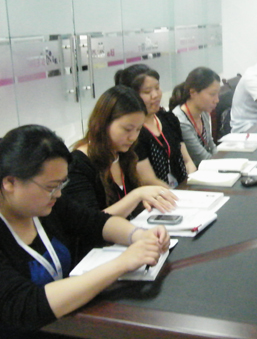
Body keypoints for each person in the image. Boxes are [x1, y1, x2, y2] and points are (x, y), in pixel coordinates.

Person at [0, 125, 170, 335]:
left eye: (61, 185)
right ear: (10, 182)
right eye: (51, 187)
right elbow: (26, 305)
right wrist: (122, 263)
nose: (58, 194)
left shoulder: (46, 206)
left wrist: (139, 235)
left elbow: (97, 222)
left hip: (71, 323)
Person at [65, 86, 177, 219]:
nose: (133, 137)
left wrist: (142, 202)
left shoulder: (123, 154)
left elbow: (128, 207)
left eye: (138, 130)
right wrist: (137, 196)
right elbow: (89, 222)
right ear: (103, 123)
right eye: (127, 129)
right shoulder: (78, 164)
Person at [115, 64, 196, 188]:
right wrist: (177, 194)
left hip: (182, 188)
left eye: (157, 88)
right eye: (147, 92)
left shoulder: (168, 119)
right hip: (158, 195)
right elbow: (149, 180)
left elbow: (187, 161)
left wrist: (192, 183)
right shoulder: (134, 132)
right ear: (131, 96)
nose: (155, 95)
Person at [169, 67, 220, 167]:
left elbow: (211, 146)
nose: (217, 100)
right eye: (212, 94)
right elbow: (201, 158)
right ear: (193, 93)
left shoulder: (203, 112)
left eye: (217, 94)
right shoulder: (180, 120)